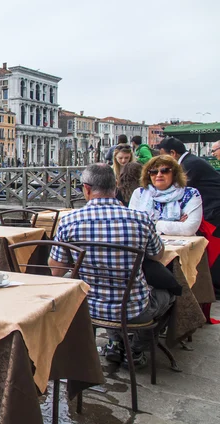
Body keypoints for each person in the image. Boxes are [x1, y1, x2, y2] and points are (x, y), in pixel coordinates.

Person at [48, 163, 173, 367]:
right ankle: (135, 348)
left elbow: (56, 270)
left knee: (104, 288)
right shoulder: (141, 219)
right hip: (134, 310)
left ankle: (116, 342)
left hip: (86, 307)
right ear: (115, 187)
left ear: (86, 189)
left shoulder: (68, 221)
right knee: (171, 294)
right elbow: (158, 255)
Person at [129, 156, 202, 236]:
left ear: (174, 174)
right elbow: (133, 226)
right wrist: (175, 224)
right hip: (148, 245)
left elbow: (189, 228)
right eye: (154, 172)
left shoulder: (190, 194)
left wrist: (156, 224)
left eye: (165, 171)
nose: (159, 175)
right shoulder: (139, 193)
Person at [158, 137, 220, 226]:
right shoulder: (191, 160)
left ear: (173, 153)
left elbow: (177, 191)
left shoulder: (188, 165)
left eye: (163, 157)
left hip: (213, 210)